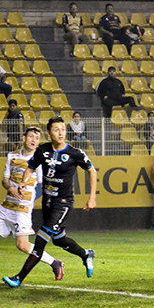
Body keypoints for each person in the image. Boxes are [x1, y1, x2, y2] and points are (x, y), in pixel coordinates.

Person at [2, 116, 97, 288]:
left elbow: (92, 170)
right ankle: (85, 254)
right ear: (49, 133)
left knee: (40, 241)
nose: (60, 133)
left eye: (62, 129)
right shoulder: (43, 151)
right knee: (59, 239)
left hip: (63, 203)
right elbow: (30, 167)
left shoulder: (75, 153)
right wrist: (24, 181)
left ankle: (19, 278)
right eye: (56, 129)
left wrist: (92, 197)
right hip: (48, 202)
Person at [0, 127, 63, 281]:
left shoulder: (40, 160)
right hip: (6, 207)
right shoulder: (12, 156)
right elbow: (5, 180)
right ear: (23, 138)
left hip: (23, 209)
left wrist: (28, 199)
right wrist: (11, 188)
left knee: (22, 245)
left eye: (37, 138)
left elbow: (42, 186)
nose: (34, 140)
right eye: (31, 136)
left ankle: (55, 263)